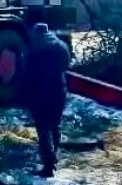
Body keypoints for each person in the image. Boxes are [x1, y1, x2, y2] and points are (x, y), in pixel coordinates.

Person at [18, 22, 72, 178]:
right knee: (55, 126)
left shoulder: (32, 50)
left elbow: (25, 75)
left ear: (36, 33)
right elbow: (66, 65)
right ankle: (55, 156)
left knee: (43, 130)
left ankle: (48, 166)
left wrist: (22, 96)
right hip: (58, 91)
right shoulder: (61, 46)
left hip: (39, 94)